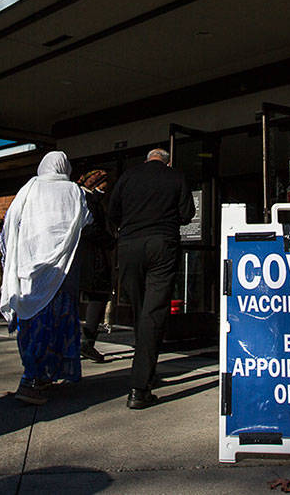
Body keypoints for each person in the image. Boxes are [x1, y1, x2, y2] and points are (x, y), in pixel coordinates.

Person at [0, 151, 91, 405]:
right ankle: (41, 376)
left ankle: (33, 375)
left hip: (29, 269)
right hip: (62, 273)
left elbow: (10, 225)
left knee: (31, 324)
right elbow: (85, 221)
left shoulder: (28, 188)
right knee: (57, 324)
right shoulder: (75, 191)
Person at [108, 147, 195, 409]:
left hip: (130, 245)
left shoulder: (128, 177)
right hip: (162, 244)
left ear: (146, 159)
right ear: (167, 162)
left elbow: (113, 213)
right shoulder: (175, 177)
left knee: (138, 309)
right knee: (153, 312)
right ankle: (140, 386)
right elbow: (187, 213)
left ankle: (144, 372)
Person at [75, 168, 115, 363]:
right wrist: (110, 241)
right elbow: (90, 228)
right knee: (97, 296)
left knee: (81, 295)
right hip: (92, 255)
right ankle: (87, 341)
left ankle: (77, 341)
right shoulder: (89, 201)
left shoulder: (76, 196)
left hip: (78, 256)